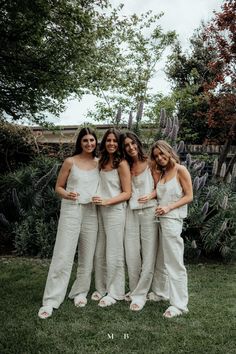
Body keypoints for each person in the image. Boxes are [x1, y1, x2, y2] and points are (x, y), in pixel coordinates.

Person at [38, 127, 99, 319]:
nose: (89, 144)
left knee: (87, 255)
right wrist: (67, 194)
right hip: (71, 209)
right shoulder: (70, 161)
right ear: (80, 143)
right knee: (63, 254)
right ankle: (51, 300)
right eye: (85, 141)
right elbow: (58, 187)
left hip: (91, 211)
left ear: (96, 142)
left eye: (92, 140)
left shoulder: (99, 163)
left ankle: (79, 292)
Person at [148, 140, 193, 318]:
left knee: (174, 263)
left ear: (169, 151)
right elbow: (160, 193)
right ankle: (160, 292)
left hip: (172, 220)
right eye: (156, 156)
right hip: (159, 220)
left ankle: (179, 304)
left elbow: (189, 196)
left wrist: (168, 207)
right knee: (160, 259)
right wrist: (149, 196)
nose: (159, 158)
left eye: (161, 154)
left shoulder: (180, 170)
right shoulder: (163, 173)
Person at [92, 128, 131, 307]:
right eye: (108, 140)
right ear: (104, 142)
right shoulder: (100, 162)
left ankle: (116, 292)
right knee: (100, 251)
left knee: (114, 252)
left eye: (115, 141)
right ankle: (101, 288)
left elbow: (127, 193)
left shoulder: (121, 163)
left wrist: (107, 201)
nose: (111, 144)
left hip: (115, 211)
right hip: (99, 211)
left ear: (119, 144)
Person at [120, 132, 158, 311]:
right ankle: (135, 288)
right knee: (131, 253)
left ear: (138, 143)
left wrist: (150, 195)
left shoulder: (151, 162)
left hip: (150, 212)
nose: (131, 147)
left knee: (149, 254)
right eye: (127, 145)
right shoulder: (124, 165)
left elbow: (161, 187)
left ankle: (141, 294)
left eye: (133, 143)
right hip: (131, 212)